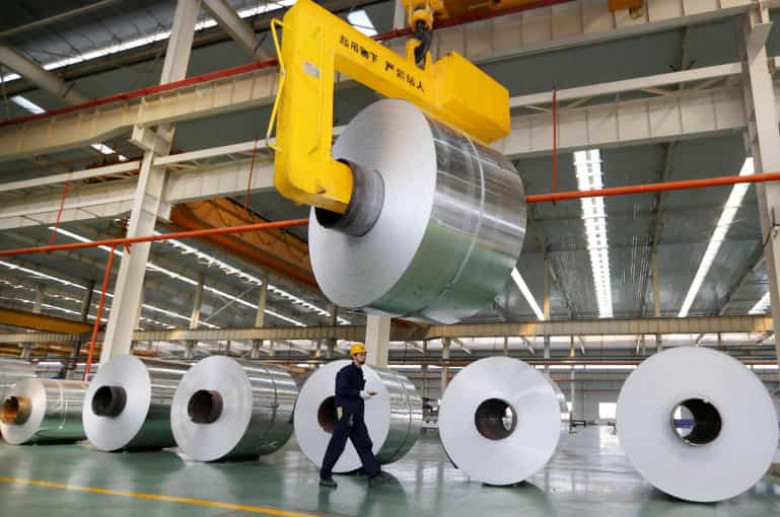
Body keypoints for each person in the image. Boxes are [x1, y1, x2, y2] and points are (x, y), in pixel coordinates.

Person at [319, 343, 392, 488]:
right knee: (337, 446)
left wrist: (364, 395)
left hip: (356, 415)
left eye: (364, 354)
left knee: (364, 444)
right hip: (345, 414)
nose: (364, 356)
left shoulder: (359, 372)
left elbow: (354, 393)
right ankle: (325, 475)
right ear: (354, 356)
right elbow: (341, 391)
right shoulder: (346, 372)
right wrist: (360, 393)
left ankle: (374, 474)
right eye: (361, 354)